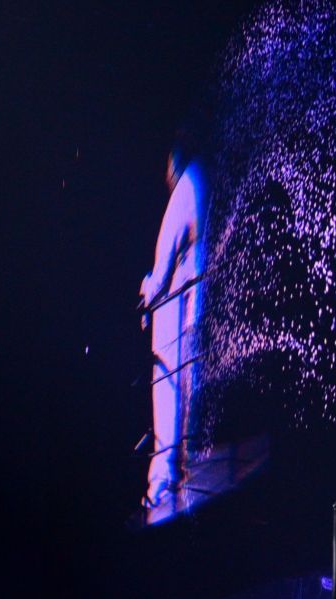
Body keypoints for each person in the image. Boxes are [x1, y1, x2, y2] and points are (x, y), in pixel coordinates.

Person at [139, 142, 206, 523]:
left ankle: (160, 483)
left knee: (166, 394)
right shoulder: (199, 186)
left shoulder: (184, 189)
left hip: (172, 317)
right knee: (184, 392)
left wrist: (147, 289)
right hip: (188, 314)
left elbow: (163, 266)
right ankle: (179, 470)